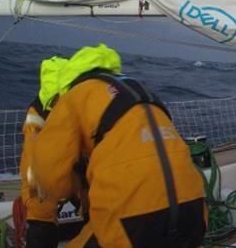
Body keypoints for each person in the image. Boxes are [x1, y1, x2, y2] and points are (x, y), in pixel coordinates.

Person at [30, 44, 206, 248]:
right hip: (194, 205)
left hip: (131, 215)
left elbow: (49, 174)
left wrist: (57, 205)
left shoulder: (73, 97)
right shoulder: (136, 89)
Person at [19, 56, 68, 248]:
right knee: (41, 223)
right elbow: (35, 169)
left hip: (64, 174)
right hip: (42, 194)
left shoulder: (39, 113)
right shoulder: (38, 118)